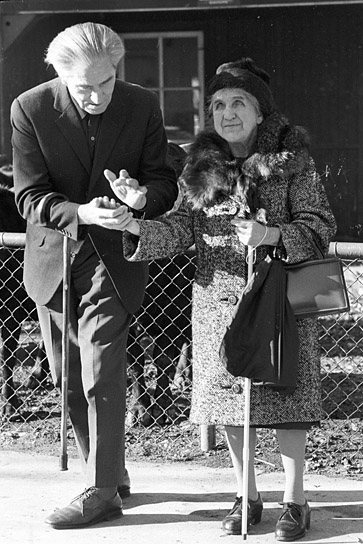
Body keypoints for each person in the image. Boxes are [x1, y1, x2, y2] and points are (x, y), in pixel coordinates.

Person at [104, 58, 337, 541]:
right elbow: (178, 228)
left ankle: (296, 501)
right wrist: (133, 224)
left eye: (237, 103)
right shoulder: (200, 165)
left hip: (281, 302)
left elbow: (321, 228)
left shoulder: (293, 160)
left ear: (259, 111)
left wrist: (271, 232)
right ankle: (246, 496)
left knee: (288, 401)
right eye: (217, 105)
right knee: (230, 403)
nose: (226, 113)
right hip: (219, 304)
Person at [11, 22, 177, 529]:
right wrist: (82, 212)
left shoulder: (142, 104)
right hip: (54, 258)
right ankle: (109, 473)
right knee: (67, 378)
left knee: (101, 370)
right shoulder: (30, 107)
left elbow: (163, 182)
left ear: (117, 69)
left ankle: (101, 491)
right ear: (58, 75)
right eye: (84, 87)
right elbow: (28, 196)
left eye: (106, 82)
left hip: (115, 258)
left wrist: (140, 200)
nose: (98, 95)